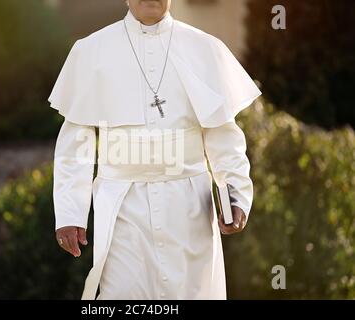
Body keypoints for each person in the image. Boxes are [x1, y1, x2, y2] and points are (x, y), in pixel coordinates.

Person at [48, 0, 261, 300]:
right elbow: (76, 142)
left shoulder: (203, 49)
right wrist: (71, 212)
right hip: (123, 208)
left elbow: (223, 136)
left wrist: (236, 193)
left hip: (189, 210)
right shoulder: (91, 51)